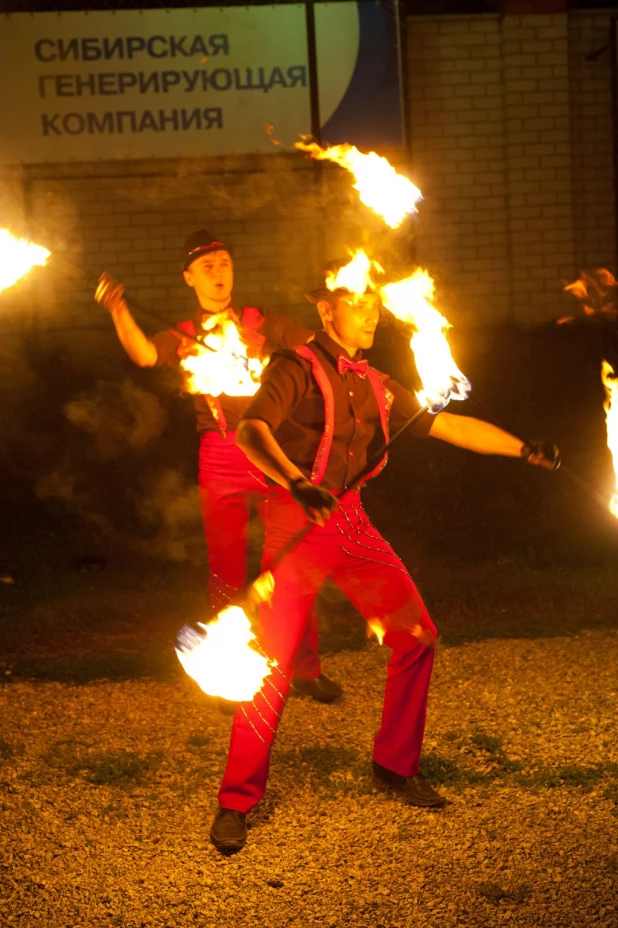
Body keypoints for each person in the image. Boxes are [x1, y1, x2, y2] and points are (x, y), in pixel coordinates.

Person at [209, 280, 560, 852]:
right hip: (295, 523)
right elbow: (251, 431)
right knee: (270, 667)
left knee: (417, 634)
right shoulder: (293, 367)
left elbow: (448, 426)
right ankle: (235, 801)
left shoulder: (377, 383)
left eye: (375, 304)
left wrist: (523, 449)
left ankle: (395, 765)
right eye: (358, 303)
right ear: (327, 311)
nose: (371, 314)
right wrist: (298, 483)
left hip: (349, 522)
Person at [94, 230, 342, 704]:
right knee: (226, 570)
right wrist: (117, 309)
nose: (219, 273)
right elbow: (145, 355)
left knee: (289, 562)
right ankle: (229, 669)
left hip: (272, 451)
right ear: (189, 278)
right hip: (219, 452)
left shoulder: (260, 321)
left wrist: (329, 314)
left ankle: (305, 669)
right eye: (207, 266)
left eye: (225, 263)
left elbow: (315, 342)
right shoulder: (184, 332)